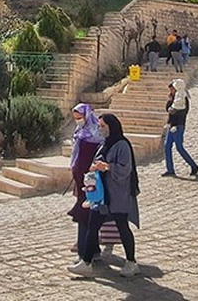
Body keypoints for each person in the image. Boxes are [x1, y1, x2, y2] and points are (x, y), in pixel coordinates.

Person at [68, 113, 140, 278]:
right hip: (102, 196)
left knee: (123, 228)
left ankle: (131, 262)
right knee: (93, 227)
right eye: (99, 126)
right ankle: (86, 263)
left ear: (111, 127)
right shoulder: (104, 144)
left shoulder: (122, 145)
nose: (100, 129)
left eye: (103, 126)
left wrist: (106, 166)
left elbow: (125, 169)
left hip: (117, 195)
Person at [67, 104, 104, 259]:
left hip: (90, 181)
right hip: (80, 179)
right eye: (75, 119)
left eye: (80, 118)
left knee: (87, 213)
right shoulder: (80, 131)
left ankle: (86, 251)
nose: (78, 121)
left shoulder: (96, 133)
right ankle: (90, 247)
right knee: (85, 213)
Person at [162, 79, 198, 177]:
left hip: (178, 125)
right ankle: (170, 169)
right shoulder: (174, 98)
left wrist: (173, 110)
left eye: (172, 89)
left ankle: (194, 166)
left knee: (179, 147)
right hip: (171, 125)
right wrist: (170, 101)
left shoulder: (183, 98)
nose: (171, 92)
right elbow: (167, 109)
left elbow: (182, 111)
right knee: (167, 147)